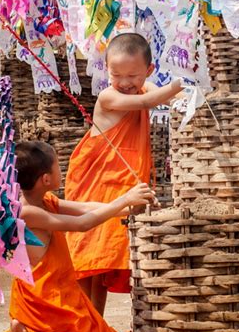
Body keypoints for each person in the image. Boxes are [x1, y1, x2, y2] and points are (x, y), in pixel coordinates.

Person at [1, 140, 157, 332]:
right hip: (45, 297)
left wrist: (127, 208)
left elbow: (85, 208)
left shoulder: (46, 201)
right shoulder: (27, 212)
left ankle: (28, 328)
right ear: (45, 179)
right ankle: (26, 328)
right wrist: (124, 199)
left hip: (59, 288)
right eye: (58, 167)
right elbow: (82, 224)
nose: (61, 171)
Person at [65, 33, 183, 315]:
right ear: (107, 70)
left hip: (123, 186)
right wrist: (182, 83)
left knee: (103, 264)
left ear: (149, 71)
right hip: (95, 185)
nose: (126, 83)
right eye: (117, 75)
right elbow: (149, 101)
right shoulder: (109, 96)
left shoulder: (143, 90)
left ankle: (95, 325)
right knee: (86, 257)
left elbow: (159, 96)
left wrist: (185, 95)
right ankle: (79, 325)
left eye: (134, 75)